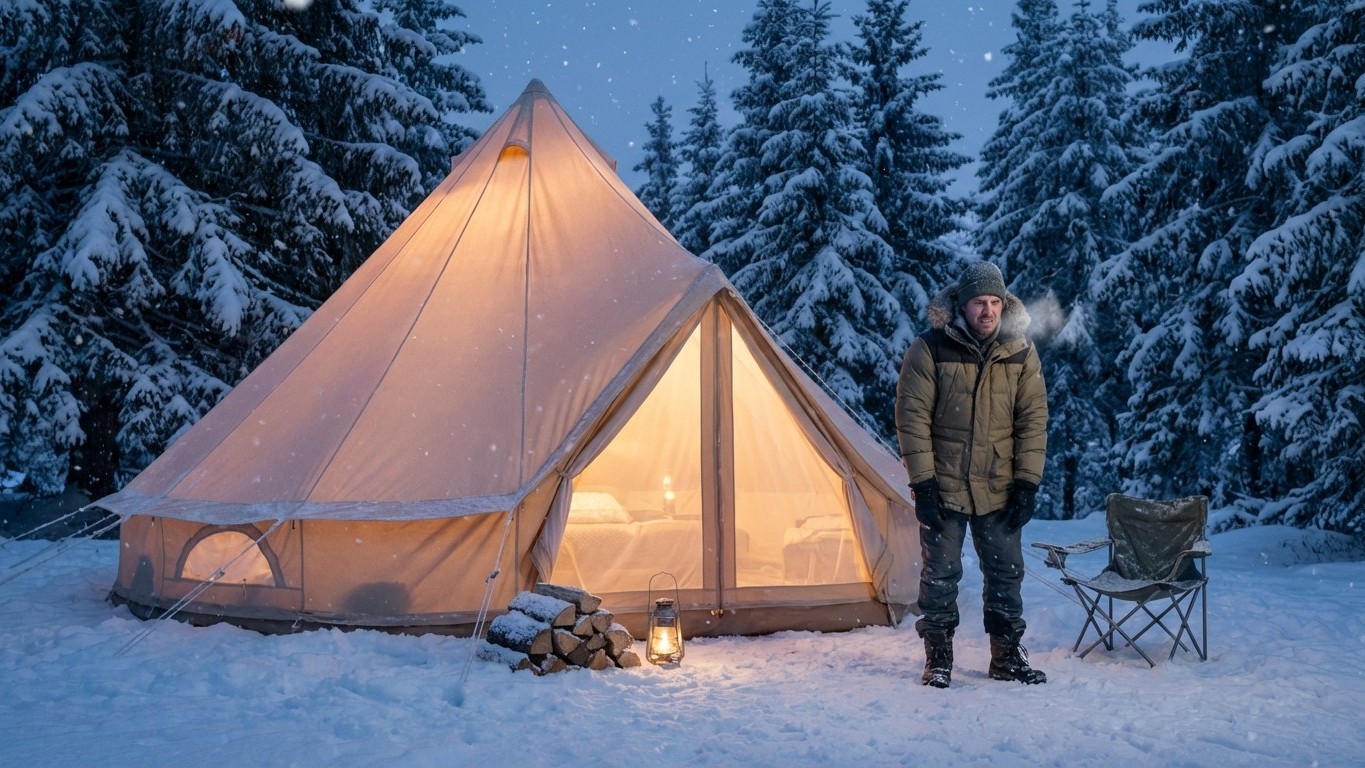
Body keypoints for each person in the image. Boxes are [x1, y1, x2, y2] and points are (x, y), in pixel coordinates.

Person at [895, 261, 1048, 688]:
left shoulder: (1020, 351)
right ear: (962, 305)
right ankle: (938, 657)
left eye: (995, 302)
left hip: (999, 486)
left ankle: (1005, 656)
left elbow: (1032, 420)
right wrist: (922, 481)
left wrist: (1027, 482)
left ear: (1004, 305)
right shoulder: (930, 348)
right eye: (979, 302)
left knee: (1005, 573)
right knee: (940, 574)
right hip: (943, 483)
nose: (987, 311)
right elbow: (912, 417)